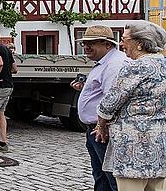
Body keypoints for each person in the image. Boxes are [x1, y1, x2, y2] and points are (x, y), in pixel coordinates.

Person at [95, 21, 166, 191]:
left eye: (125, 39)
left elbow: (109, 104)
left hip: (132, 148)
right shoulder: (164, 64)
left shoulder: (134, 67)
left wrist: (101, 125)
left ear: (140, 43)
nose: (120, 44)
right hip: (160, 145)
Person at [71, 26, 128, 191]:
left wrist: (101, 126)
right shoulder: (104, 62)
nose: (87, 47)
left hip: (102, 131)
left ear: (107, 45)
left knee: (112, 178)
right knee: (101, 176)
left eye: (92, 43)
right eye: (85, 43)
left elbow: (113, 99)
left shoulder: (114, 64)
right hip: (96, 130)